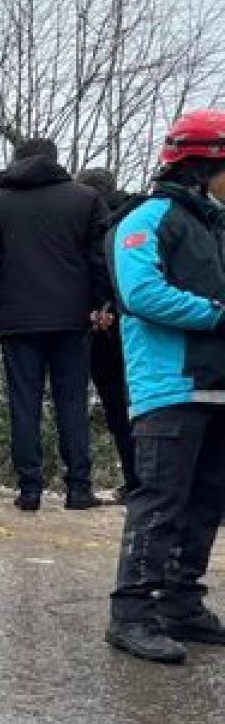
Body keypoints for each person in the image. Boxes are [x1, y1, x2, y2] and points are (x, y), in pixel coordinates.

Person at [102, 110, 225, 664]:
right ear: (204, 166)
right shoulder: (147, 219)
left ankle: (181, 602)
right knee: (161, 503)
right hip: (169, 386)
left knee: (205, 503)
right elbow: (140, 294)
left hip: (217, 386)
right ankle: (132, 612)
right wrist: (219, 316)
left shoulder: (213, 224)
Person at [0, 137, 111, 511]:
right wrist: (100, 302)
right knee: (72, 401)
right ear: (56, 159)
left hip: (18, 316)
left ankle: (29, 489)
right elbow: (100, 258)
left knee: (23, 401)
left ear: (16, 161)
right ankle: (78, 487)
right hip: (72, 315)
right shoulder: (85, 199)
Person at [78, 167, 142, 498]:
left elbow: (95, 269)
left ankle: (135, 478)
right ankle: (144, 477)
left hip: (104, 323)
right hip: (140, 323)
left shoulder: (98, 225)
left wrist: (101, 307)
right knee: (144, 403)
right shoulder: (140, 215)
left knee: (117, 405)